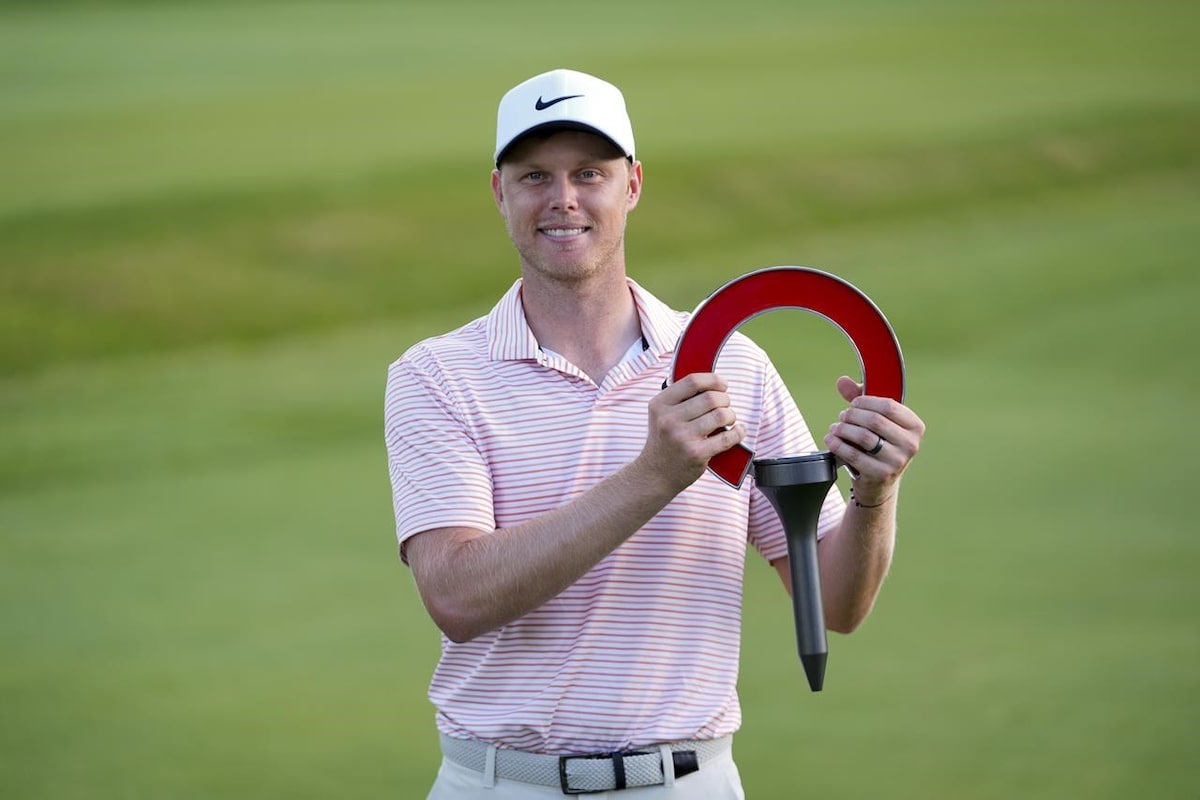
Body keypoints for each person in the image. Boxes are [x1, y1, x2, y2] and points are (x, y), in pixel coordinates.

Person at [384, 68, 926, 798]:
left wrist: (874, 493)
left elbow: (834, 604)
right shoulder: (437, 376)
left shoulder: (733, 362)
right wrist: (653, 475)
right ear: (499, 192)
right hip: (501, 782)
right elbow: (457, 597)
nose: (564, 199)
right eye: (535, 175)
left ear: (633, 185)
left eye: (590, 173)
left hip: (685, 782)